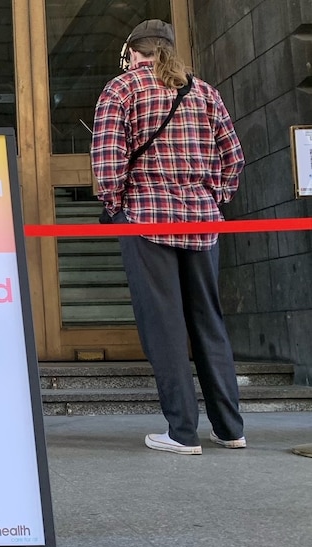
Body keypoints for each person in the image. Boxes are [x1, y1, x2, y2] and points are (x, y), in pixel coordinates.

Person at [91, 19, 246, 455]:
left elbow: (107, 163)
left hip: (147, 218)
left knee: (165, 327)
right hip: (201, 221)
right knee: (208, 322)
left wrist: (116, 205)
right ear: (167, 50)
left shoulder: (120, 90)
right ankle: (231, 428)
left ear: (134, 53)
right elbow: (233, 157)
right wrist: (210, 195)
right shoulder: (204, 92)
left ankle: (182, 432)